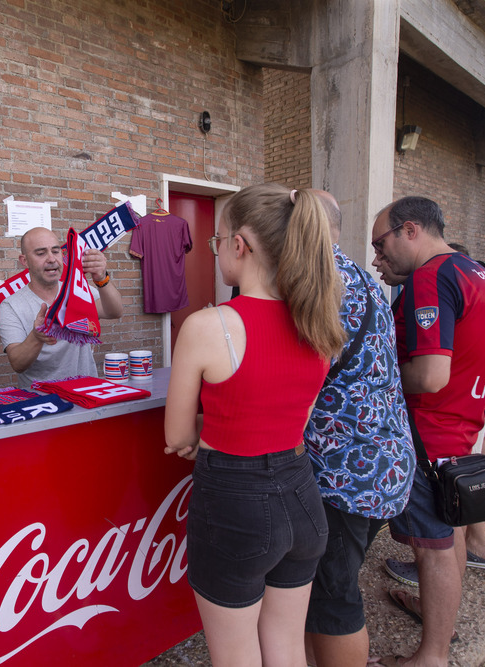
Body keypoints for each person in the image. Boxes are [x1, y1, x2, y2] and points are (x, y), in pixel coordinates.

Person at [164, 184, 346, 666]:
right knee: (286, 648)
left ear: (238, 245)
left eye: (216, 240)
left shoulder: (210, 326)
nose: (216, 250)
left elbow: (177, 436)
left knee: (235, 655)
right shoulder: (320, 325)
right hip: (302, 495)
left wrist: (212, 424)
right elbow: (294, 418)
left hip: (234, 501)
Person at [370, 196, 485, 667]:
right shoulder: (478, 271)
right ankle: (437, 623)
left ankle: (432, 655)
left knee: (433, 550)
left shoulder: (430, 277)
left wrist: (375, 374)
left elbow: (430, 375)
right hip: (463, 427)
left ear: (410, 230)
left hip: (431, 435)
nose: (376, 257)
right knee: (451, 542)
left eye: (380, 244)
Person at [302, 191, 414, 667]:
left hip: (347, 471)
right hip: (379, 463)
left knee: (333, 593)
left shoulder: (322, 283)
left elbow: (299, 379)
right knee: (325, 587)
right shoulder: (361, 279)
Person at [0, 226, 123, 387]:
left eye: (56, 251)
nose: (51, 259)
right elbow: (17, 363)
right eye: (41, 253)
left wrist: (101, 278)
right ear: (24, 261)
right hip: (41, 401)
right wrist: (36, 336)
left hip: (86, 393)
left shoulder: (79, 291)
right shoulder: (11, 306)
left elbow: (115, 311)